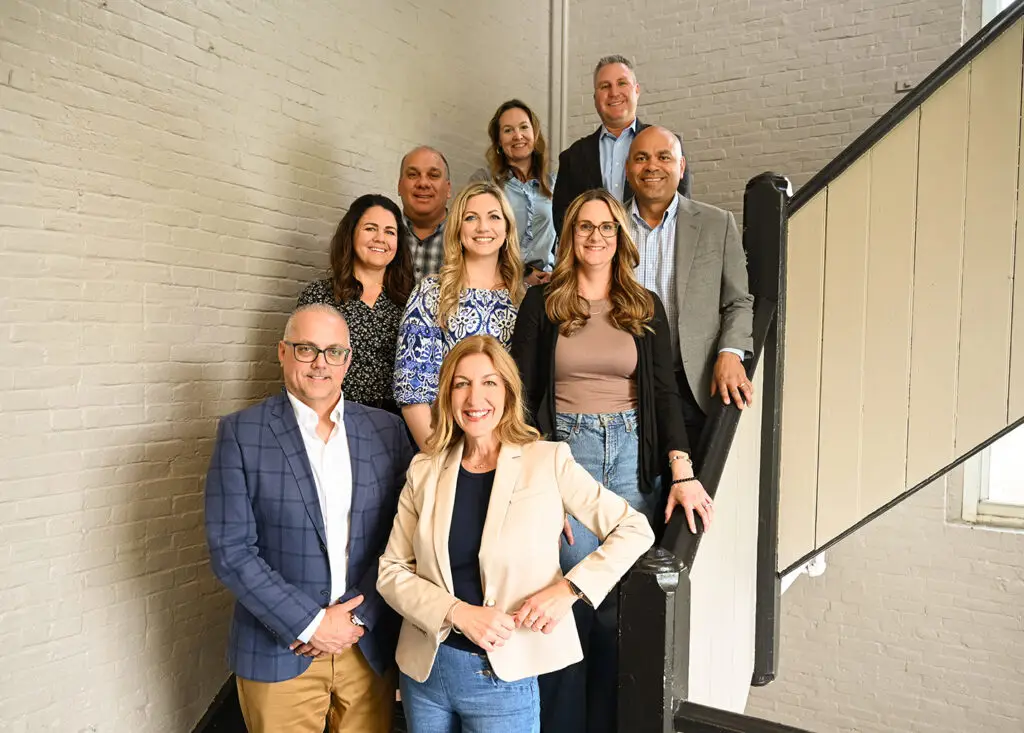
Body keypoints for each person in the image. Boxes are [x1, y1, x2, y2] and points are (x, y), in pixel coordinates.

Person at [510, 189, 713, 733]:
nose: (596, 236)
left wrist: (682, 471)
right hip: (565, 456)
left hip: (631, 459)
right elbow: (520, 396)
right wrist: (534, 481)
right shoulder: (543, 303)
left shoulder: (644, 306)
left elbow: (664, 393)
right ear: (570, 236)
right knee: (567, 601)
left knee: (617, 606)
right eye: (585, 226)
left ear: (621, 238)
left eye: (606, 227)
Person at [377, 335, 655, 733]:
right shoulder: (425, 469)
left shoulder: (547, 460)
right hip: (426, 675)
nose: (475, 397)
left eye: (489, 382)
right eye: (461, 384)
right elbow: (391, 571)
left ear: (508, 391)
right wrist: (456, 612)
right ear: (447, 395)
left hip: (504, 677)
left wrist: (570, 589)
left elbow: (634, 528)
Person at [205, 304, 415, 733]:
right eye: (306, 349)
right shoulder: (242, 434)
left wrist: (357, 617)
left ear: (348, 360)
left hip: (365, 645)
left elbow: (404, 536)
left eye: (334, 351)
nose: (321, 363)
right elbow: (231, 551)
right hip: (280, 648)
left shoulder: (387, 431)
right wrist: (312, 623)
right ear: (283, 352)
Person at [626, 125, 754, 450]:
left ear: (681, 167)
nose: (652, 166)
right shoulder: (608, 225)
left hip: (691, 384)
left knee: (690, 478)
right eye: (641, 158)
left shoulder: (717, 223)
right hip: (622, 383)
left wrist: (731, 353)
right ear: (628, 168)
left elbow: (738, 301)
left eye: (663, 157)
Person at [393, 181, 525, 450]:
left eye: (494, 217)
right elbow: (412, 391)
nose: (483, 227)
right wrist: (440, 459)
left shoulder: (524, 300)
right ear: (457, 228)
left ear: (507, 228)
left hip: (510, 446)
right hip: (446, 442)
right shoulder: (432, 294)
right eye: (471, 218)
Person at [297, 194, 414, 414]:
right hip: (333, 415)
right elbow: (301, 366)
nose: (380, 238)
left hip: (396, 421)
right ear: (351, 233)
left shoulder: (412, 301)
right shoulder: (319, 296)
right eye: (370, 228)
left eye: (390, 232)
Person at [551, 54, 692, 235]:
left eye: (622, 83)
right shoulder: (572, 157)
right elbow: (563, 222)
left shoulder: (670, 145)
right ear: (595, 97)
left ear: (637, 90)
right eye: (605, 86)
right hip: (594, 251)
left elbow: (682, 212)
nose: (614, 92)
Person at [471, 99, 557, 286]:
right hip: (499, 284)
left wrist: (557, 275)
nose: (518, 136)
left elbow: (565, 241)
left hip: (545, 287)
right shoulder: (485, 181)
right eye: (508, 130)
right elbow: (473, 237)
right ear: (499, 141)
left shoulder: (554, 185)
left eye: (524, 127)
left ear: (535, 134)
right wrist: (523, 273)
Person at [398, 146, 453, 282]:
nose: (423, 183)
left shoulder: (465, 238)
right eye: (413, 175)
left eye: (433, 175)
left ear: (448, 189)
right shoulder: (381, 237)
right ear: (399, 186)